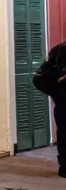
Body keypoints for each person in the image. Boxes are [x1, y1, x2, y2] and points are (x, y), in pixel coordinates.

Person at [32, 42, 66, 177]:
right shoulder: (61, 50)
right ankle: (64, 167)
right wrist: (58, 91)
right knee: (65, 134)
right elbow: (40, 78)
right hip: (64, 103)